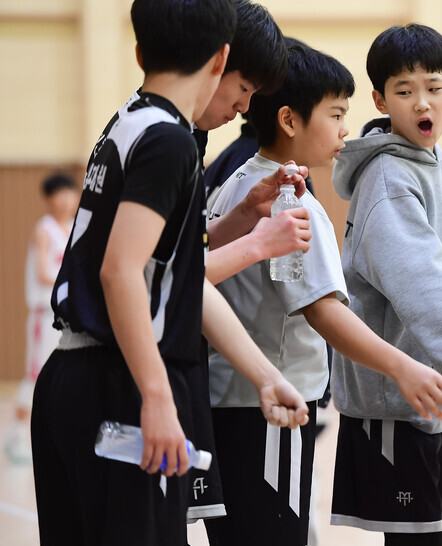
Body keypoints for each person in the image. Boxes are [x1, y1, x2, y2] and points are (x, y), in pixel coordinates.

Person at [30, 2, 309, 545]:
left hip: (72, 378)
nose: (243, 106)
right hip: (121, 383)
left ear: (139, 52)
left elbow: (180, 278)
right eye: (243, 89)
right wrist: (156, 395)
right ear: (220, 58)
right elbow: (121, 272)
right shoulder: (170, 141)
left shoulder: (130, 120)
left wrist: (265, 376)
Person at [203, 38, 442, 546]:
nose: (346, 129)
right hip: (271, 409)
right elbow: (322, 311)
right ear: (289, 120)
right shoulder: (289, 199)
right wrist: (402, 367)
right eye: (336, 114)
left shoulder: (238, 183)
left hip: (231, 403)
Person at [329, 23, 442, 546]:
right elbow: (416, 284)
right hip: (392, 402)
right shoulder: (388, 177)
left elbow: (428, 275)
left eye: (433, 87)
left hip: (425, 398)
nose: (422, 103)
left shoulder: (437, 164)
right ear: (380, 100)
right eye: (404, 92)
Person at [3, 173, 78, 464]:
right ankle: (17, 434)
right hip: (43, 314)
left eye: (70, 193)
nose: (66, 199)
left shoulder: (74, 227)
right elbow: (43, 273)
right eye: (60, 194)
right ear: (48, 199)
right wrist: (74, 281)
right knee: (35, 373)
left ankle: (54, 437)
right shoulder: (45, 229)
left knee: (61, 374)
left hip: (66, 314)